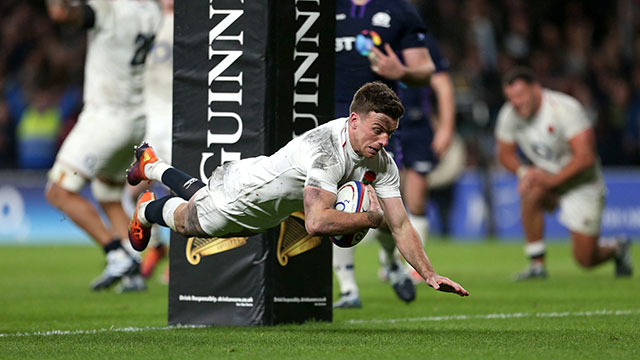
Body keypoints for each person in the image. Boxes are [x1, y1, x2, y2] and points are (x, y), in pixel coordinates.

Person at [127, 81, 470, 299]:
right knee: (193, 223)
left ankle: (151, 165)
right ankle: (146, 209)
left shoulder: (381, 161)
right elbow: (316, 223)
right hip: (245, 193)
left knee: (203, 200)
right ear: (354, 120)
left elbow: (400, 223)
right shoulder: (326, 153)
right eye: (378, 129)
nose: (383, 141)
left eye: (389, 134)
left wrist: (429, 273)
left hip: (264, 206)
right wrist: (368, 217)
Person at [44, 0, 162, 291]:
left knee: (58, 192)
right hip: (135, 118)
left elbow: (61, 13)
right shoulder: (153, 10)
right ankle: (133, 269)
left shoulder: (109, 8)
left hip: (104, 119)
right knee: (107, 192)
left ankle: (116, 254)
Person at [333, 0, 436, 308]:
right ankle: (348, 287)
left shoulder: (399, 10)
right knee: (338, 200)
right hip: (332, 124)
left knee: (381, 209)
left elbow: (426, 69)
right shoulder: (324, 8)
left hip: (379, 130)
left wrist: (401, 71)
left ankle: (389, 260)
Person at [495, 67, 633, 280]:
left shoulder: (565, 109)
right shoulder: (509, 114)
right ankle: (536, 265)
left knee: (586, 259)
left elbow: (585, 157)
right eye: (511, 97)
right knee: (530, 189)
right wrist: (525, 172)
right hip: (547, 178)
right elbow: (504, 153)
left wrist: (550, 180)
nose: (516, 102)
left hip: (582, 183)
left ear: (536, 89)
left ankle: (617, 248)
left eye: (520, 95)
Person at [383, 33, 456, 284]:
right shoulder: (377, 34)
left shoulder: (422, 40)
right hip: (384, 124)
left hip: (416, 123)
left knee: (416, 197)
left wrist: (446, 127)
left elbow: (443, 84)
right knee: (385, 195)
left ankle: (414, 267)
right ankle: (390, 259)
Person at [126, 0, 174, 283]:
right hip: (148, 123)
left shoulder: (190, 25)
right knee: (131, 193)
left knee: (179, 189)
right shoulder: (146, 23)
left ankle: (181, 260)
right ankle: (156, 246)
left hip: (173, 123)